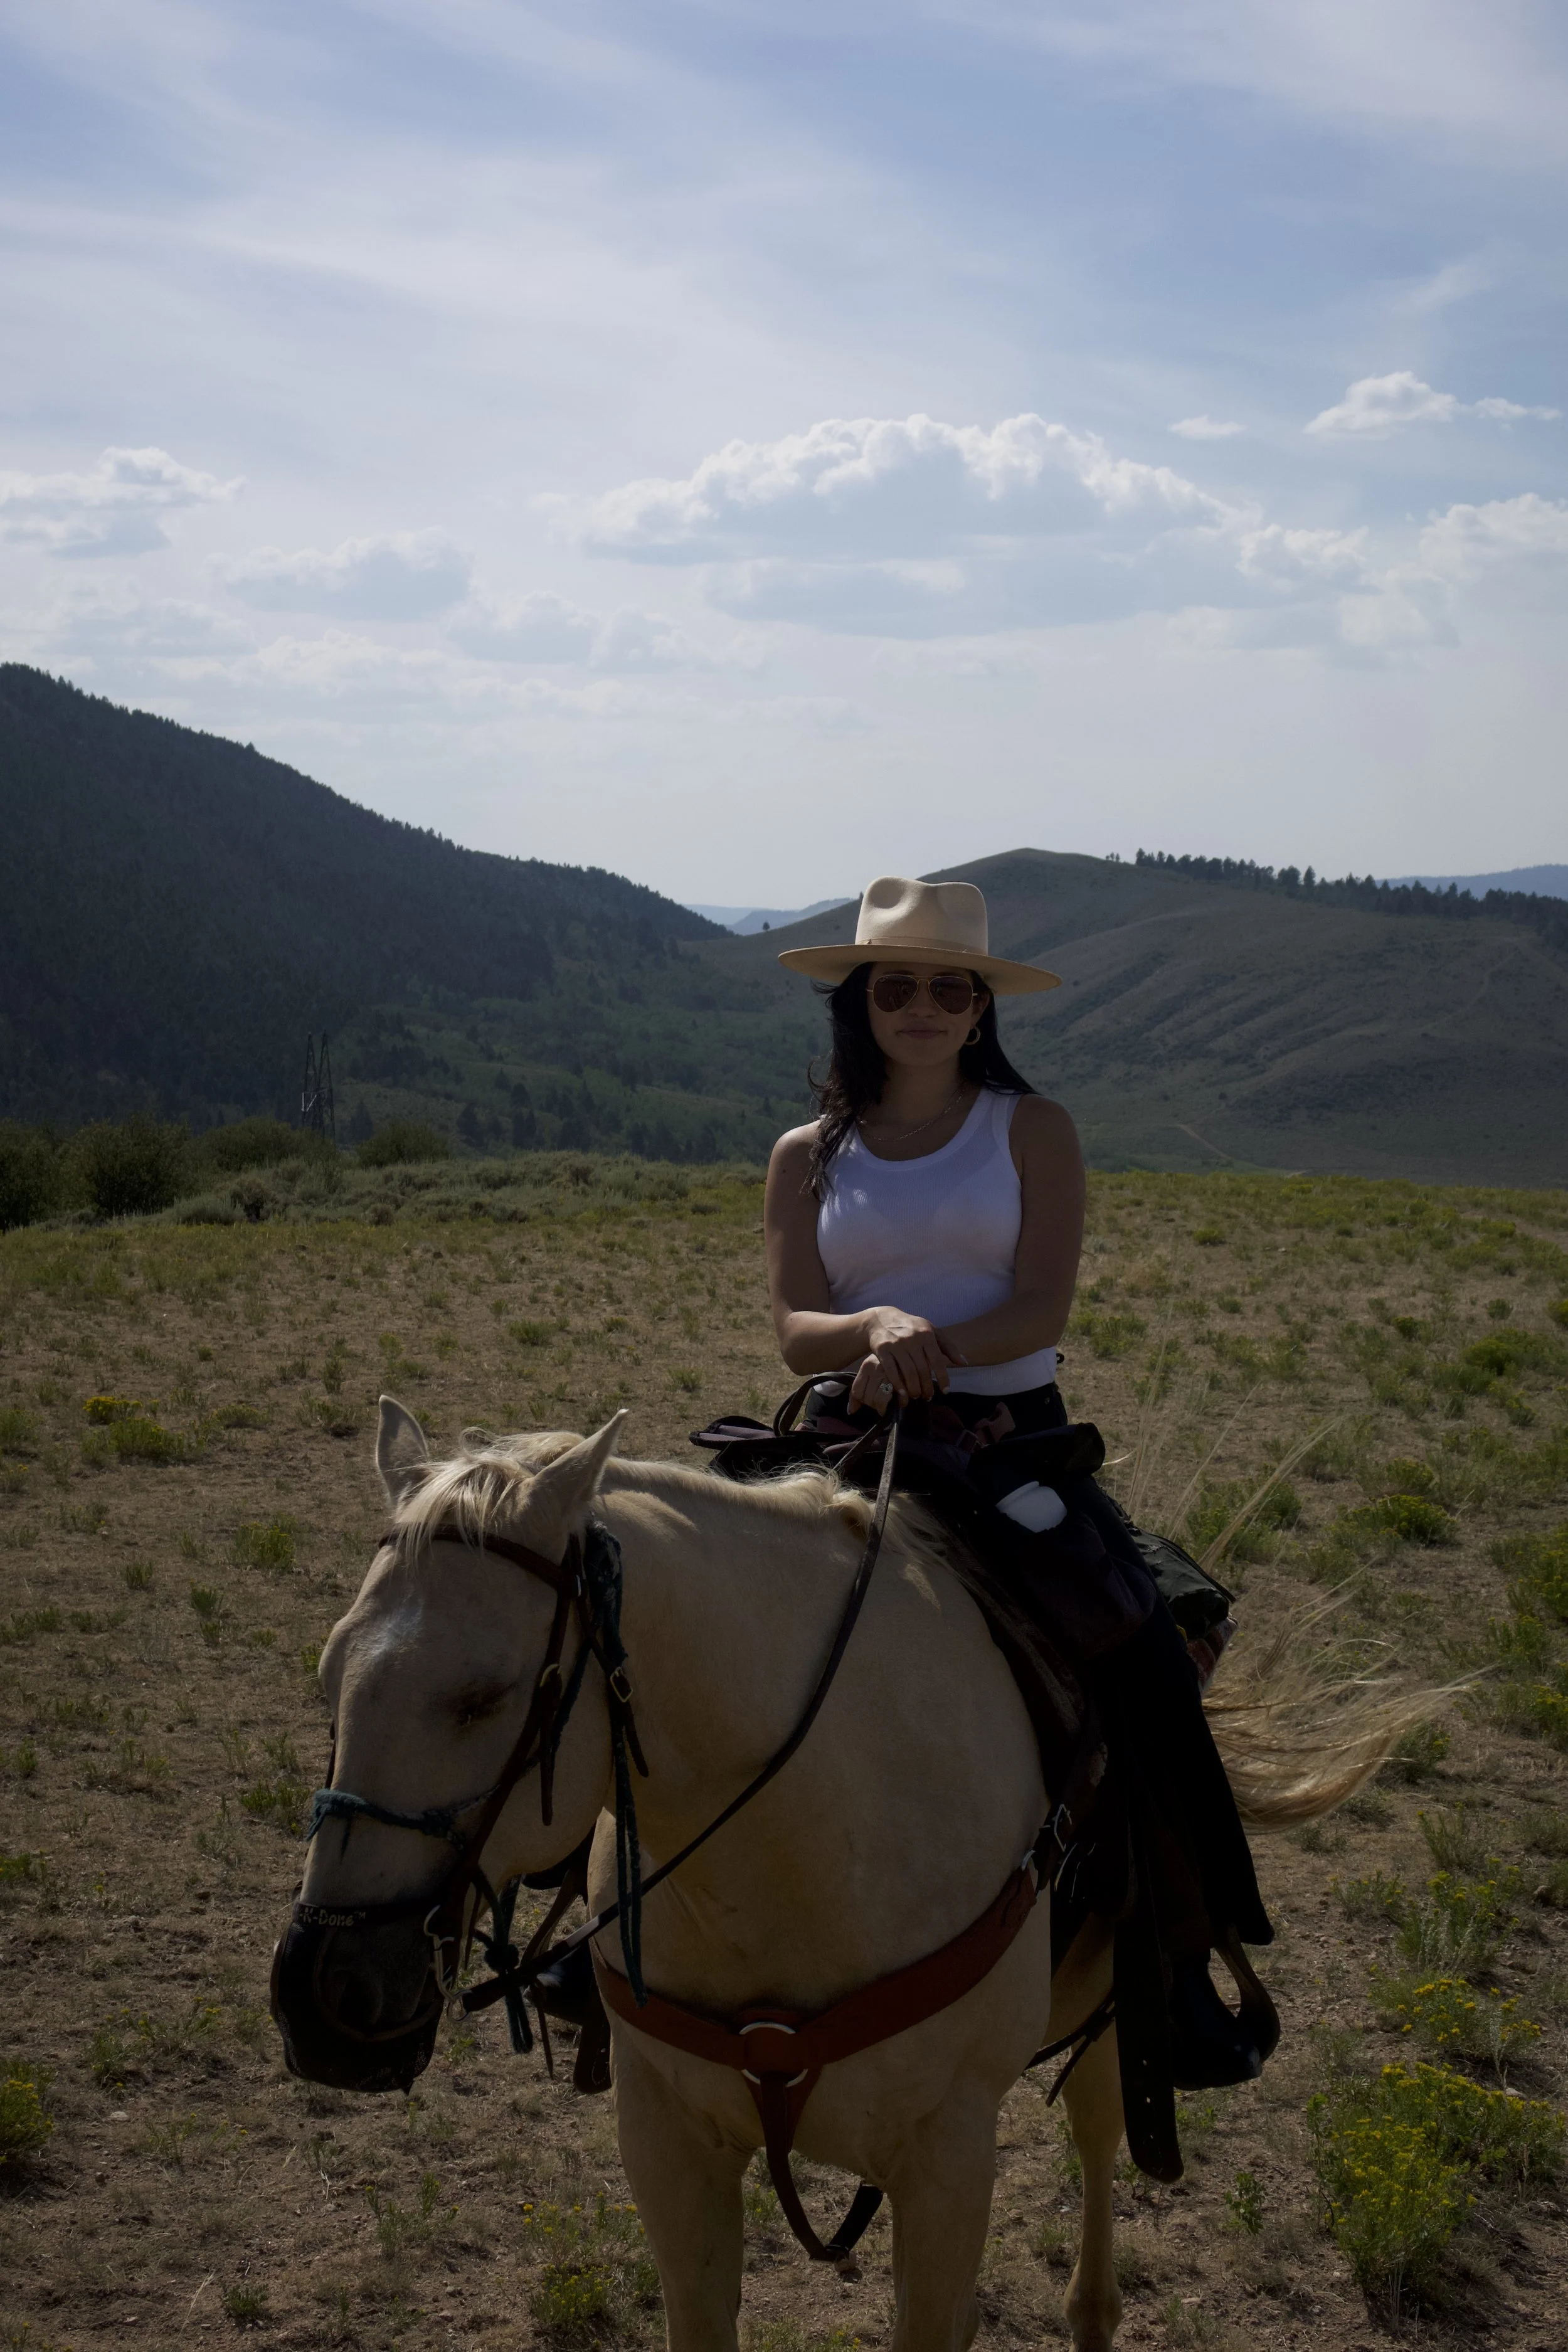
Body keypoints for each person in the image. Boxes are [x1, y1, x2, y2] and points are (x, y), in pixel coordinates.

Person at [764, 874, 1272, 2088]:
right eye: (899, 986)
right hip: (848, 1428)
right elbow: (794, 1327)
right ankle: (601, 1920)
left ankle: (1179, 1948)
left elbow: (1040, 1302)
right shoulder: (802, 1154)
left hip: (1004, 1440)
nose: (925, 1006)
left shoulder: (1031, 1130)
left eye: (952, 987)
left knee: (1140, 1640)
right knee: (662, 1596)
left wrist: (921, 1348)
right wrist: (875, 1329)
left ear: (982, 1006)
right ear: (863, 1002)